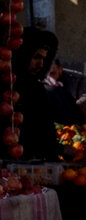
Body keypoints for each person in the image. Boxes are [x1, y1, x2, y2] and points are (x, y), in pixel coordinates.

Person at [14, 28, 65, 160]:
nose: (41, 64)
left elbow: (45, 130)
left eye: (44, 59)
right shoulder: (10, 87)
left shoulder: (37, 87)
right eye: (37, 57)